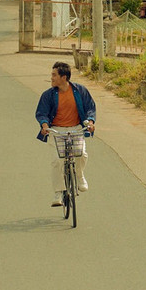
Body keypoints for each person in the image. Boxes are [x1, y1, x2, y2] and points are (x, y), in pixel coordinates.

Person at [35, 60, 96, 207]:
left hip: (76, 129)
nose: (52, 78)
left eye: (54, 75)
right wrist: (44, 125)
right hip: (56, 131)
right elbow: (42, 113)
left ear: (64, 77)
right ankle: (58, 192)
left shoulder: (80, 91)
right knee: (57, 161)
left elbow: (90, 108)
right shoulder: (48, 95)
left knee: (81, 154)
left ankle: (80, 176)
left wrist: (91, 122)